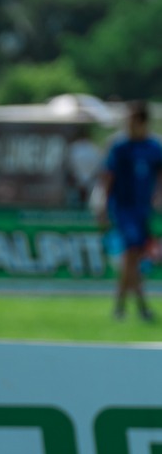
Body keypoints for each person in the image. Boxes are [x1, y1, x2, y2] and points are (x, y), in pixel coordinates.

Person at [100, 101, 161, 324]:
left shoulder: (154, 147)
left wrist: (158, 196)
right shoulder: (120, 146)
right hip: (124, 209)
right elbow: (108, 177)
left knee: (132, 259)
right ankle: (140, 307)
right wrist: (103, 206)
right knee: (131, 255)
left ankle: (122, 307)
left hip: (143, 211)